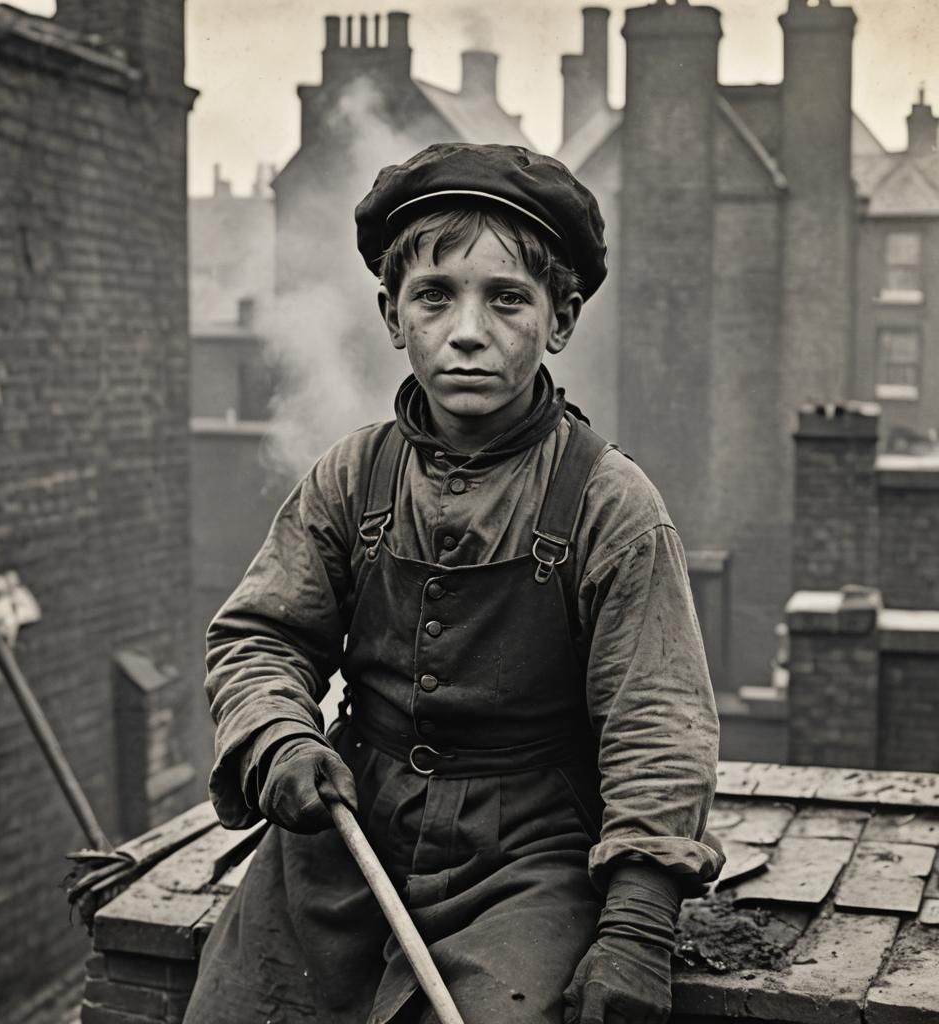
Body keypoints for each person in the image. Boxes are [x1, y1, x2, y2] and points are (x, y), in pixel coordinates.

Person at [183, 142, 723, 1024]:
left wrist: (636, 925)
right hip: (345, 836)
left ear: (561, 320)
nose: (467, 330)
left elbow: (658, 721)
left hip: (527, 863)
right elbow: (261, 636)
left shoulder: (611, 503)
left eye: (507, 298)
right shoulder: (350, 476)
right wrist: (281, 737)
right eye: (435, 296)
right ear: (395, 316)